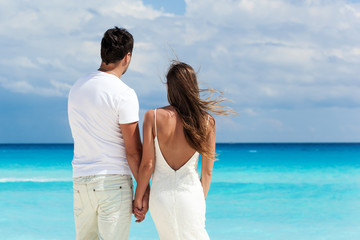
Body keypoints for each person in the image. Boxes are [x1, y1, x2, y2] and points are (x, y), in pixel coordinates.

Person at [134, 61, 233, 239]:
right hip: (191, 196)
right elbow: (207, 172)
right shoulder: (206, 121)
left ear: (169, 87)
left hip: (160, 198)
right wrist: (199, 201)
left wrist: (139, 198)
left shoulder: (153, 116)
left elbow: (147, 165)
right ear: (192, 87)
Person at [68, 26, 148, 240]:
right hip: (113, 183)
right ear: (127, 56)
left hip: (81, 181)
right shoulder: (124, 94)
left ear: (103, 53)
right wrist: (144, 191)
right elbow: (133, 152)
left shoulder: (77, 87)